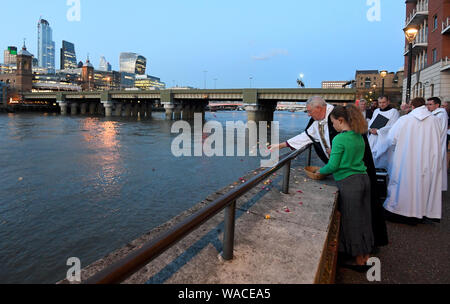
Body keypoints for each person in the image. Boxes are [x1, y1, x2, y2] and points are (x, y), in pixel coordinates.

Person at [269, 96, 388, 248]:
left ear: (320, 108)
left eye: (310, 111)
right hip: (355, 173)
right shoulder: (321, 120)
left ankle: (361, 250)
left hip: (349, 174)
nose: (308, 114)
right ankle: (364, 247)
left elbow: (340, 154)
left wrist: (322, 170)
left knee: (357, 214)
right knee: (361, 212)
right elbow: (307, 136)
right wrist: (280, 145)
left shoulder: (339, 121)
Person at [317, 105, 374, 267]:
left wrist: (319, 171)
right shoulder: (359, 136)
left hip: (349, 183)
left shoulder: (339, 139)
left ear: (341, 121)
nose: (333, 126)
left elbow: (333, 166)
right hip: (363, 178)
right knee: (364, 218)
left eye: (333, 122)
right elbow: (353, 157)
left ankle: (358, 261)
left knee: (352, 221)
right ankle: (366, 256)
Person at [375, 97, 443, 221]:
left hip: (407, 158)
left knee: (405, 183)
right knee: (424, 183)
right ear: (425, 106)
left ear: (412, 106)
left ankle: (401, 211)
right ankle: (422, 212)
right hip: (427, 159)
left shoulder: (405, 120)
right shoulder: (435, 120)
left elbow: (391, 138)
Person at [368, 96, 400, 170]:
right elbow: (371, 122)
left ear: (388, 102)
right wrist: (370, 129)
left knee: (384, 160)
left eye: (383, 102)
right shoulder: (376, 111)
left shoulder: (394, 112)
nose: (382, 104)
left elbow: (393, 127)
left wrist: (379, 131)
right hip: (373, 138)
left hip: (385, 139)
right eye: (380, 103)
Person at [426, 97, 448, 192]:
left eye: (430, 104)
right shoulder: (435, 114)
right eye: (427, 104)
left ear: (437, 105)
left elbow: (437, 130)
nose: (428, 106)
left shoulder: (440, 115)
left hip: (437, 143)